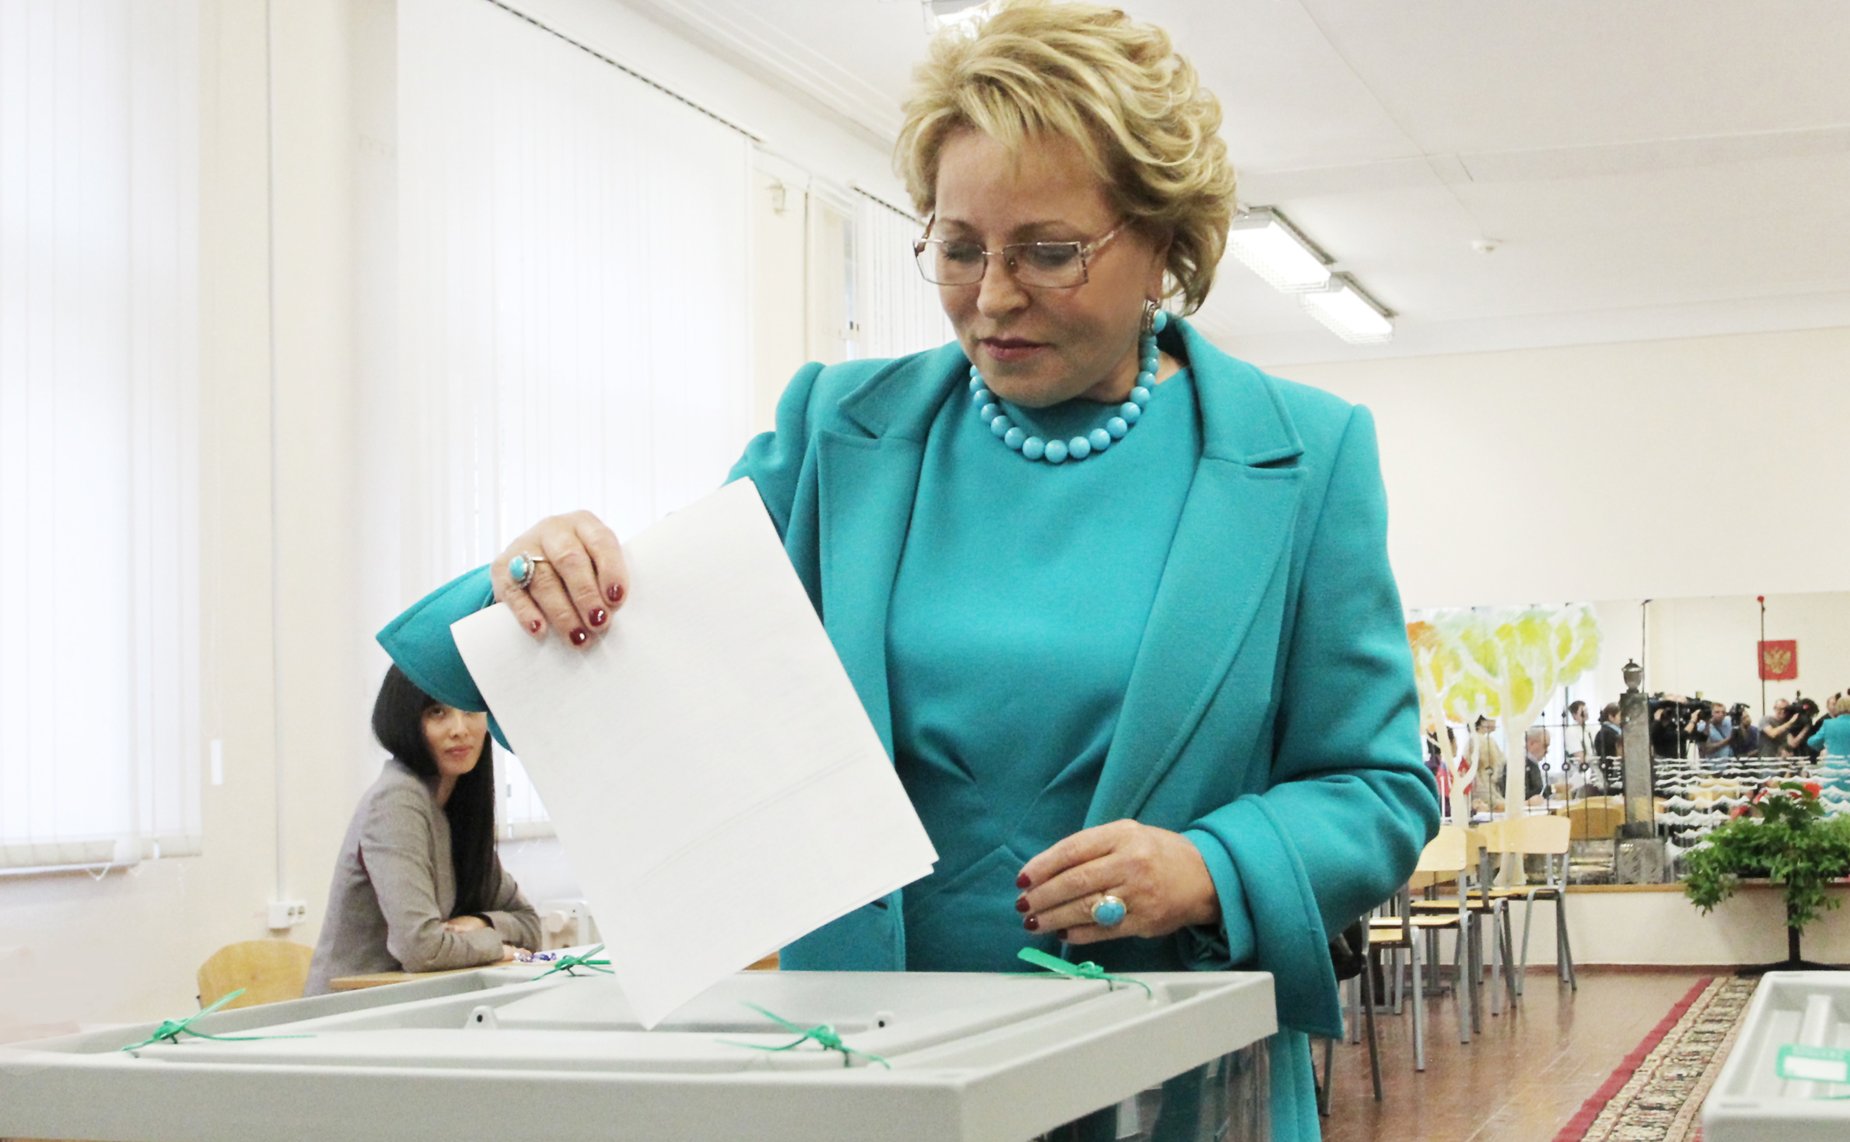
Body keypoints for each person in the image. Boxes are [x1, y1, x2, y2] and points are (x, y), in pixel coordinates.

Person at [376, 3, 1437, 1136]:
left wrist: (1208, 865)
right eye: (957, 244)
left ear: (1161, 237)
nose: (990, 295)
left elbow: (1374, 789)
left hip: (1169, 1078)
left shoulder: (1301, 457)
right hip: (874, 1081)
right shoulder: (842, 434)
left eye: (1047, 250)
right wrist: (539, 574)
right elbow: (626, 658)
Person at [304, 666, 541, 996]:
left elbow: (529, 924)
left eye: (471, 709)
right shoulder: (397, 800)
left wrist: (482, 923)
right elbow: (421, 948)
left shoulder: (458, 806)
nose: (460, 729)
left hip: (412, 1007)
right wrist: (496, 946)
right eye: (437, 712)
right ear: (406, 720)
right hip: (354, 1016)